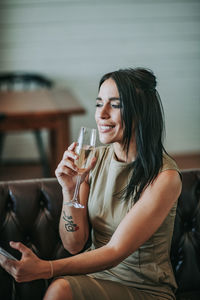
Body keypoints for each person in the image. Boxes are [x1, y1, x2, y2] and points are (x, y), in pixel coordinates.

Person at [0, 68, 182, 300]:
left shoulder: (164, 177)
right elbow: (74, 244)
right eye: (99, 104)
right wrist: (70, 190)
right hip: (96, 275)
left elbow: (116, 251)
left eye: (115, 105)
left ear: (141, 112)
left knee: (59, 288)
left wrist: (46, 268)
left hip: (145, 288)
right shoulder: (93, 159)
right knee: (61, 288)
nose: (101, 114)